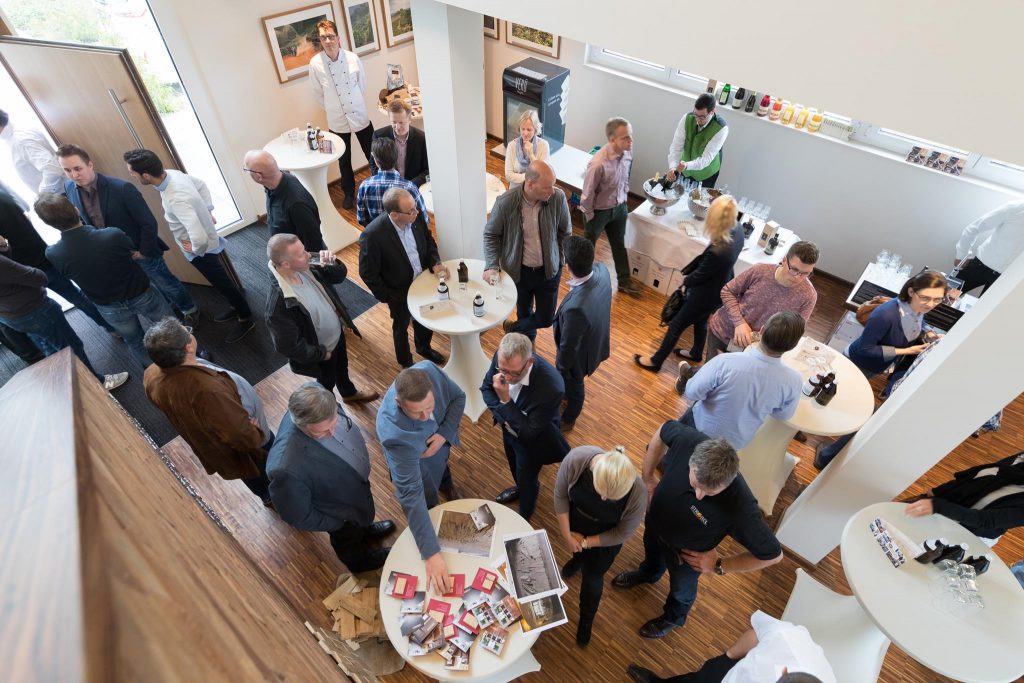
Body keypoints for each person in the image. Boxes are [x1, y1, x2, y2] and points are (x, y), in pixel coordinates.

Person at [613, 422, 783, 639]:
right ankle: (648, 574)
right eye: (695, 485)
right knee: (651, 556)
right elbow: (662, 433)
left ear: (729, 482)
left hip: (685, 557)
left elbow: (773, 555)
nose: (699, 496)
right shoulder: (689, 440)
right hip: (655, 524)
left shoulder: (741, 508)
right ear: (691, 462)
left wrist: (719, 566)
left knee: (681, 591)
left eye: (710, 492)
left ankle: (673, 617)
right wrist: (647, 478)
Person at [814, 271, 948, 469]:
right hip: (857, 364)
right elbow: (865, 349)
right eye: (926, 298)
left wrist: (927, 332)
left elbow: (919, 320)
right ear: (911, 291)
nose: (930, 305)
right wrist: (907, 350)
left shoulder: (916, 308)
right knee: (851, 407)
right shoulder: (885, 314)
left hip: (875, 366)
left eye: (937, 300)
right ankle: (823, 453)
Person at [123, 148, 255, 344]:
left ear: (146, 175)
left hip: (202, 251)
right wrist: (207, 210)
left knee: (222, 283)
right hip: (204, 242)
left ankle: (246, 317)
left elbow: (199, 238)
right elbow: (201, 185)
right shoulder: (172, 174)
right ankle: (236, 307)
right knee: (221, 282)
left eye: (132, 172)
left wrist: (195, 250)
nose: (132, 176)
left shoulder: (175, 198)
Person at [59, 144, 198, 322]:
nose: (74, 175)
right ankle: (170, 309)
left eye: (77, 168)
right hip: (117, 256)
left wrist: (144, 252)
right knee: (148, 288)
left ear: (90, 165)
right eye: (67, 170)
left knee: (166, 283)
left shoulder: (122, 188)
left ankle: (190, 309)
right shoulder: (69, 188)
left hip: (141, 250)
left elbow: (148, 223)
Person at [143, 317, 274, 505]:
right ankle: (273, 496)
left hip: (212, 444)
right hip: (250, 445)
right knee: (260, 470)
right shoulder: (207, 391)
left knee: (248, 472)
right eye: (188, 331)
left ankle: (265, 495)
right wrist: (255, 433)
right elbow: (239, 434)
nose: (190, 332)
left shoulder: (151, 373)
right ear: (188, 347)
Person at [35, 192, 174, 369]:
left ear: (49, 224)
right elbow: (130, 250)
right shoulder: (112, 235)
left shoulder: (53, 253)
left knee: (135, 341)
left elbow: (68, 274)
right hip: (141, 293)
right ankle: (192, 359)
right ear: (77, 211)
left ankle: (157, 375)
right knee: (171, 328)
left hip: (109, 307)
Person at [267, 382, 395, 571]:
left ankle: (366, 529)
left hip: (355, 493)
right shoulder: (285, 468)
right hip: (339, 515)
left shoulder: (320, 398)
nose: (333, 432)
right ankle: (361, 563)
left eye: (334, 423)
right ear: (302, 425)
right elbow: (298, 515)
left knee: (359, 524)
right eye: (323, 432)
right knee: (348, 541)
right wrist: (338, 523)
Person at [377, 364, 466, 593]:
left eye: (430, 406)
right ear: (399, 403)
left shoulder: (429, 370)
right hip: (417, 465)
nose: (427, 417)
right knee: (427, 500)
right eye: (417, 413)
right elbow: (410, 494)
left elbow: (458, 397)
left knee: (443, 469)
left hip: (438, 450)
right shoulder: (393, 434)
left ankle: (447, 485)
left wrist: (444, 433)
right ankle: (435, 501)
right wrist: (431, 553)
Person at [634, 195, 744, 372]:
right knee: (700, 321)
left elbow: (700, 275)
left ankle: (656, 361)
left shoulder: (718, 252)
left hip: (705, 293)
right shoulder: (737, 229)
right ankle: (696, 352)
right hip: (721, 288)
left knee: (677, 324)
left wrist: (685, 282)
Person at [266, 233, 377, 404]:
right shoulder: (279, 304)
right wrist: (321, 354)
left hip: (337, 337)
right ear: (286, 264)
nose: (309, 255)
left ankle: (348, 393)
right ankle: (332, 411)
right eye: (302, 253)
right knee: (326, 385)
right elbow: (288, 346)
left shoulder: (307, 267)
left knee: (342, 368)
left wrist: (331, 263)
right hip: (321, 353)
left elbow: (339, 276)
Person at [554, 445, 646, 646]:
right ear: (593, 472)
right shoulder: (576, 460)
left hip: (605, 539)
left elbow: (623, 532)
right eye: (601, 491)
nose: (603, 499)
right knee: (577, 554)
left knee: (593, 578)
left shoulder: (638, 494)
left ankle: (586, 620)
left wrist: (585, 542)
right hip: (575, 524)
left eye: (611, 498)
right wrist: (568, 535)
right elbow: (560, 495)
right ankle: (577, 561)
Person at [0, 252, 127, 389]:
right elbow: (39, 278)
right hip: (34, 310)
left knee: (51, 348)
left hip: (11, 315)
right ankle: (97, 384)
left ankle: (66, 384)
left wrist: (5, 248)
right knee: (72, 347)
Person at [680, 311, 805, 450]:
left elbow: (691, 392)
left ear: (761, 331)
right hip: (735, 443)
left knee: (676, 452)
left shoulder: (725, 361)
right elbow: (783, 415)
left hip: (699, 427)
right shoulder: (794, 381)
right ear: (793, 347)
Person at [0, 186, 115, 334]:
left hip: (18, 269)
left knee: (39, 312)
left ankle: (64, 351)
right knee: (75, 295)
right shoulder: (4, 193)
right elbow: (26, 208)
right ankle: (110, 327)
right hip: (41, 255)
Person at [480, 333, 570, 521]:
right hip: (508, 430)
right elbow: (486, 389)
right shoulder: (502, 357)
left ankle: (526, 510)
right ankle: (520, 488)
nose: (505, 377)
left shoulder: (552, 387)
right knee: (514, 465)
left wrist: (505, 400)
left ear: (529, 363)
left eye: (513, 373)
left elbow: (529, 433)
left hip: (534, 441)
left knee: (527, 475)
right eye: (502, 369)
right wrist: (505, 416)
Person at [484, 160, 571, 341]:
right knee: (524, 312)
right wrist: (491, 265)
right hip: (520, 273)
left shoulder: (558, 198)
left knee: (546, 318)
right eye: (547, 187)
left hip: (548, 272)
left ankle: (514, 328)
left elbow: (565, 232)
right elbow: (491, 235)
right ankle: (527, 345)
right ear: (530, 184)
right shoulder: (505, 203)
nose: (552, 191)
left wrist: (560, 260)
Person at [358, 187, 446, 367]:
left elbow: (428, 242)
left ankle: (423, 348)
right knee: (401, 327)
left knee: (425, 316)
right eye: (411, 210)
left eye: (415, 207)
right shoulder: (372, 236)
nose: (417, 212)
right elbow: (368, 273)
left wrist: (435, 262)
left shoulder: (415, 217)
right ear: (395, 214)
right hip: (398, 292)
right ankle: (406, 363)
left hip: (422, 282)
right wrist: (388, 296)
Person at [626, 611, 834, 683]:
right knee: (695, 680)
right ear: (784, 672)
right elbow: (758, 634)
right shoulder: (787, 638)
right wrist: (728, 657)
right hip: (730, 671)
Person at [704, 241, 819, 363]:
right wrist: (739, 322)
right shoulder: (760, 271)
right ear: (784, 260)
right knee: (708, 377)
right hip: (723, 332)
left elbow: (793, 330)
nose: (798, 277)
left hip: (755, 351)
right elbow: (727, 291)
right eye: (794, 269)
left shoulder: (808, 296)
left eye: (806, 273)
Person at [309, 19, 374, 210]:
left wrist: (352, 103)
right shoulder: (315, 64)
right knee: (343, 160)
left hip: (359, 113)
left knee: (372, 153)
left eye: (330, 36)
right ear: (320, 40)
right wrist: (334, 108)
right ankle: (348, 194)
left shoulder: (353, 58)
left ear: (338, 37)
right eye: (323, 37)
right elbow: (318, 94)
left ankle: (380, 186)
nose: (328, 40)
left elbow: (361, 85)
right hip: (337, 119)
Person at [553, 235, 612, 432]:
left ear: (567, 267)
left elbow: (568, 347)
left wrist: (561, 369)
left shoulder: (575, 309)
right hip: (596, 340)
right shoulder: (602, 270)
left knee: (575, 387)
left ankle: (569, 418)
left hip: (578, 359)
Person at [906, 451, 1024, 545]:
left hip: (970, 535)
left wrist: (938, 506)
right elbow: (978, 476)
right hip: (942, 507)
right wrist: (940, 491)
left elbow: (985, 520)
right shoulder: (1020, 460)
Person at [581, 117, 639, 295]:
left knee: (619, 244)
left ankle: (623, 281)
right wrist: (591, 217)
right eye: (626, 138)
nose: (631, 141)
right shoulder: (597, 164)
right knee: (588, 246)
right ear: (612, 140)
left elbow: (625, 178)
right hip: (599, 212)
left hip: (620, 207)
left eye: (631, 136)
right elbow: (587, 194)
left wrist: (624, 201)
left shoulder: (628, 153)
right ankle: (583, 280)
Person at [242, 149, 326, 252]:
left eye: (246, 170)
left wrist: (307, 264)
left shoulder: (296, 204)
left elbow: (314, 243)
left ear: (259, 176)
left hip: (301, 257)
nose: (246, 172)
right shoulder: (274, 184)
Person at [954, 199, 1024, 295]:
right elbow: (974, 228)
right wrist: (961, 256)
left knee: (985, 310)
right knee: (942, 301)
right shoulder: (1016, 207)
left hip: (1006, 280)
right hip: (978, 267)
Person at [355, 138, 428, 227]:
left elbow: (361, 219)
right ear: (396, 158)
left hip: (377, 238)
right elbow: (424, 220)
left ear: (376, 161)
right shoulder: (409, 187)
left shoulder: (364, 186)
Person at [665, 93, 730, 189]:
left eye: (702, 117)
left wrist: (687, 165)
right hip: (684, 169)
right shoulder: (687, 118)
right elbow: (676, 147)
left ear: (712, 111)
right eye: (695, 114)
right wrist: (673, 166)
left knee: (698, 202)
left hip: (706, 173)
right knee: (678, 194)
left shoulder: (721, 128)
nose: (697, 119)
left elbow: (705, 159)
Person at [0, 109, 63, 195]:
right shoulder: (16, 134)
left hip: (59, 194)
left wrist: (42, 195)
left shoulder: (20, 141)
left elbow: (52, 168)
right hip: (57, 194)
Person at [369, 99, 429, 187]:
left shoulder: (421, 138)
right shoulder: (379, 135)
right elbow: (373, 163)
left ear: (409, 119)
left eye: (401, 122)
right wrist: (385, 181)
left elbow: (427, 169)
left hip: (412, 187)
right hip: (388, 187)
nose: (397, 127)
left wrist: (409, 185)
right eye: (394, 122)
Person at [504, 109, 550, 190]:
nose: (525, 133)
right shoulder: (512, 145)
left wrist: (531, 154)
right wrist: (530, 178)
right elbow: (508, 175)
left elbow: (542, 175)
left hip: (535, 191)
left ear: (535, 129)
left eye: (529, 129)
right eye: (523, 129)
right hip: (515, 190)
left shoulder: (543, 146)